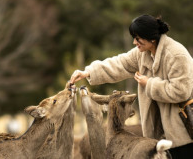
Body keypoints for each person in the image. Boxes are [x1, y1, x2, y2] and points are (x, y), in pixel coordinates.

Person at [70, 14, 193, 158]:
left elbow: (181, 91)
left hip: (183, 135)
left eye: (138, 38)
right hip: (160, 137)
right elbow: (119, 64)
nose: (134, 42)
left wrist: (149, 84)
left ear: (151, 38)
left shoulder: (177, 55)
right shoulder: (142, 53)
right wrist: (88, 72)